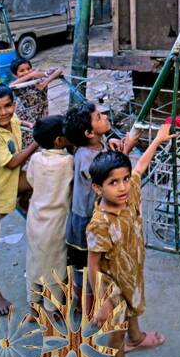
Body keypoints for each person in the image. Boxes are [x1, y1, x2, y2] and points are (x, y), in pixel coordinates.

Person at [85, 123, 173, 357]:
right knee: (117, 326)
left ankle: (135, 339)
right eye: (113, 183)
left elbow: (140, 168)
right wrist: (101, 300)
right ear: (98, 189)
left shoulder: (129, 194)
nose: (123, 187)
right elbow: (92, 264)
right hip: (111, 285)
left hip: (131, 269)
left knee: (134, 306)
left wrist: (157, 140)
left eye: (123, 180)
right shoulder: (99, 223)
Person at [63, 101, 119, 288]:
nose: (105, 117)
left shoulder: (95, 145)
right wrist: (124, 152)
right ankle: (84, 297)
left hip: (94, 214)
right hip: (86, 218)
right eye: (99, 117)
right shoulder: (87, 158)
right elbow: (109, 178)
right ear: (89, 133)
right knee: (84, 262)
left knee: (95, 258)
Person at [0, 87, 40, 313]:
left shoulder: (11, 118)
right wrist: (37, 143)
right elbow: (12, 163)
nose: (3, 112)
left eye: (7, 106)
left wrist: (30, 126)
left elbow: (17, 120)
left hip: (12, 184)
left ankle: (27, 206)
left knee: (40, 179)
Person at [24, 115, 73, 308]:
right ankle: (51, 307)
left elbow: (31, 180)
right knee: (54, 265)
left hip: (35, 219)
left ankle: (33, 302)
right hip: (56, 223)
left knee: (35, 260)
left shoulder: (36, 158)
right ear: (59, 140)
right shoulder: (68, 161)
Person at [9, 58, 63, 144]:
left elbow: (59, 70)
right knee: (29, 139)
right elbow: (10, 86)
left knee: (44, 137)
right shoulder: (19, 84)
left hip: (42, 112)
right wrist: (31, 75)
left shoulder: (39, 77)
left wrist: (46, 81)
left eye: (28, 69)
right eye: (22, 71)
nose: (26, 72)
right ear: (15, 74)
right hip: (27, 116)